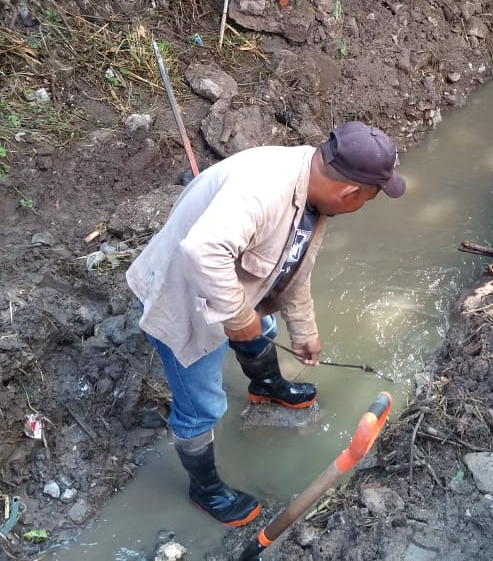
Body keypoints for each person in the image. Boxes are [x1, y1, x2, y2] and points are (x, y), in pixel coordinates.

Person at [126, 121, 406, 526]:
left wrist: (305, 330)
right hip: (182, 296)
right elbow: (201, 251)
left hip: (230, 283)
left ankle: (267, 386)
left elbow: (294, 265)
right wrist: (240, 317)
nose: (361, 207)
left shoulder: (312, 188)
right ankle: (205, 490)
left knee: (266, 330)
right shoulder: (263, 190)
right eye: (367, 199)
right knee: (202, 406)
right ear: (349, 193)